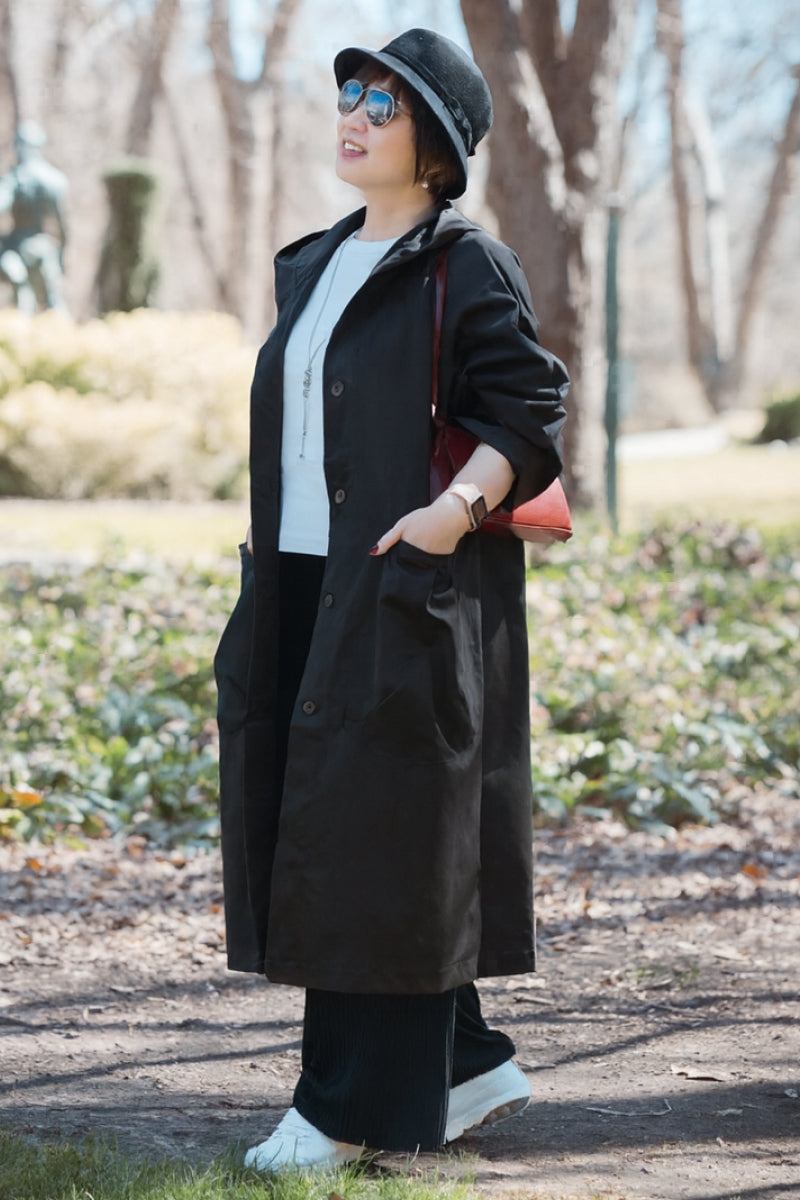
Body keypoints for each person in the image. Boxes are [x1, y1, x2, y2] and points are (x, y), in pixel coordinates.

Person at [211, 27, 570, 1173]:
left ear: (436, 148)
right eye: (349, 93)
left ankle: (339, 1109)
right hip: (303, 581)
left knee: (369, 841)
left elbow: (526, 413)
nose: (353, 111)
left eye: (384, 100)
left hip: (409, 581)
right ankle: (461, 1064)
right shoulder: (312, 263)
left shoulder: (464, 265)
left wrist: (448, 515)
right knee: (359, 835)